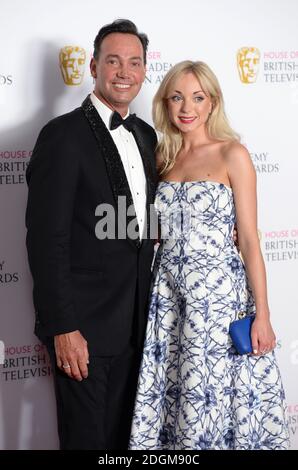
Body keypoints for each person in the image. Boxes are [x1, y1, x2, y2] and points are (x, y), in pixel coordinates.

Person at [129, 60, 289, 450]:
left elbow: (250, 239)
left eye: (198, 97)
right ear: (165, 103)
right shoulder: (161, 159)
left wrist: (263, 315)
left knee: (216, 396)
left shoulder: (232, 153)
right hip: (168, 297)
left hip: (219, 300)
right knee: (179, 392)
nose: (187, 107)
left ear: (212, 102)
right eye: (177, 97)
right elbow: (150, 230)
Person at [25, 19, 158, 450]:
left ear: (144, 69)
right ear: (93, 66)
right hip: (83, 330)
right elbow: (46, 240)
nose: (124, 71)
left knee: (127, 444)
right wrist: (63, 326)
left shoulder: (146, 135)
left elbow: (153, 220)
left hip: (139, 325)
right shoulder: (61, 136)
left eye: (134, 62)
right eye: (113, 61)